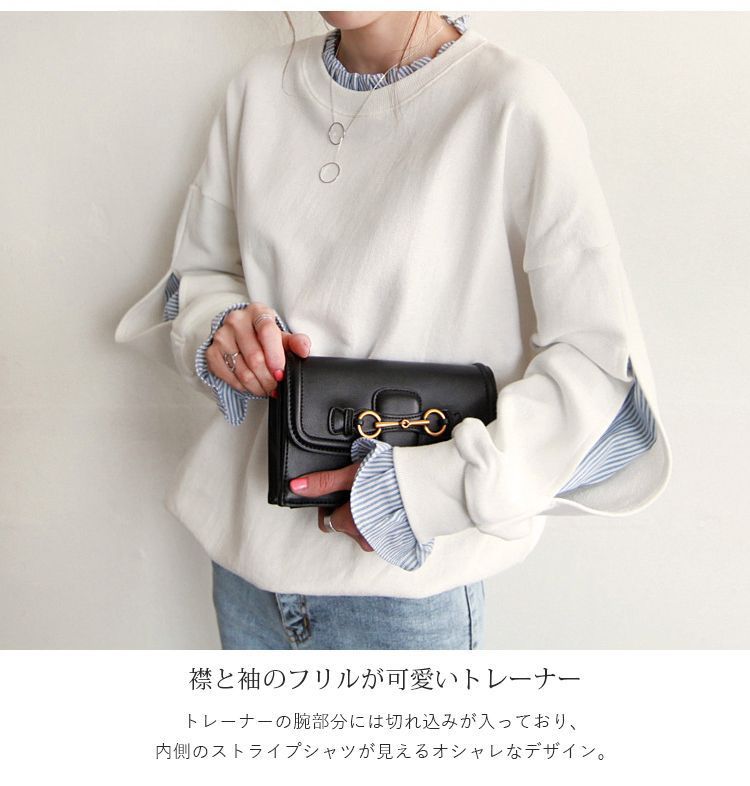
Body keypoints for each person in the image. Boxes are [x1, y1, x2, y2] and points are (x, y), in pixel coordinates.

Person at [114, 11, 672, 650]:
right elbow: (200, 274)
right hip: (247, 567)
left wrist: (421, 493)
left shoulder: (511, 102)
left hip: (404, 591)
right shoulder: (259, 87)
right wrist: (221, 330)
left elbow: (601, 374)